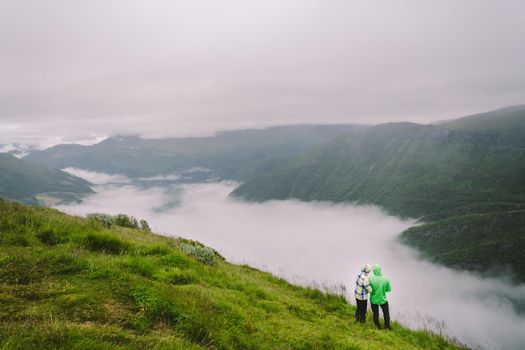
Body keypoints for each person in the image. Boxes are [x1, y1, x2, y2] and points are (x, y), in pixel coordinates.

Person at [368, 264, 391, 330]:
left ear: (374, 271)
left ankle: (377, 326)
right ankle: (387, 326)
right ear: (380, 270)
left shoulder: (370, 278)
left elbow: (367, 287)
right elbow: (389, 289)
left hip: (374, 299)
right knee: (386, 313)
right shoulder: (386, 279)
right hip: (382, 299)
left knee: (376, 313)